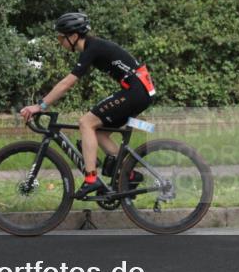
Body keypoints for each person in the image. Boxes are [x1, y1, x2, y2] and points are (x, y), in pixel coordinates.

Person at [19, 12, 156, 199]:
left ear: (74, 36)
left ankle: (91, 179)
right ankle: (127, 174)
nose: (60, 41)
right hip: (139, 91)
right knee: (98, 131)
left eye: (61, 37)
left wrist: (40, 105)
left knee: (86, 122)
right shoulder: (93, 47)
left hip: (136, 92)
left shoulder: (92, 48)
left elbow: (67, 83)